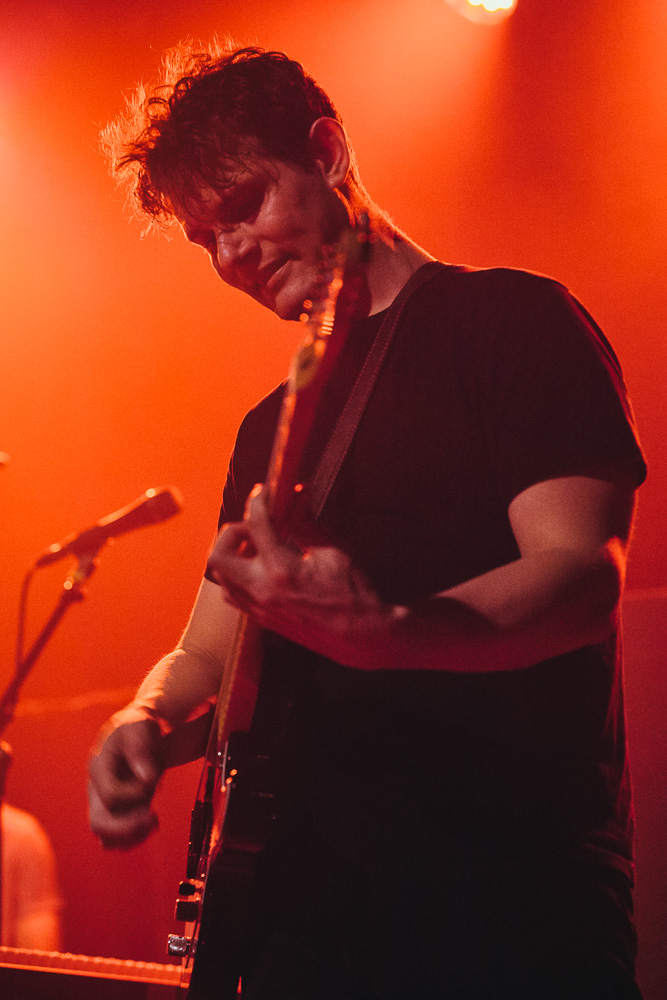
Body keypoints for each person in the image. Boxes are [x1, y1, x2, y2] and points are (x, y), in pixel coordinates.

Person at [87, 42, 647, 999]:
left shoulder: (511, 321)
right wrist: (145, 720)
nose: (229, 256)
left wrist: (385, 635)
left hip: (499, 917)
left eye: (243, 207)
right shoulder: (271, 427)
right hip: (300, 929)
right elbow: (209, 653)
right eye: (204, 240)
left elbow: (580, 580)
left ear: (329, 152)